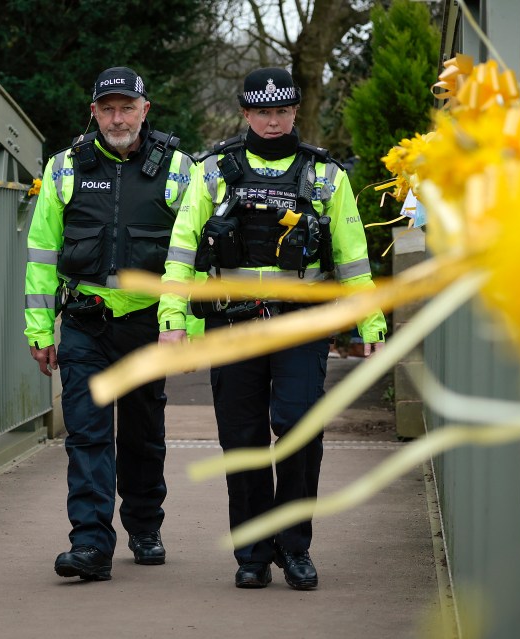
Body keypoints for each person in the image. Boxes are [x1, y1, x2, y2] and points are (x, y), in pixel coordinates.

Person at [157, 67, 387, 590]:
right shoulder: (212, 171)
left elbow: (353, 258)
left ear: (295, 113)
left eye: (281, 111)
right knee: (242, 439)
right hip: (233, 325)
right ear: (245, 114)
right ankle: (254, 553)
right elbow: (182, 250)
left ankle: (296, 546)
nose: (272, 120)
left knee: (299, 429)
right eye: (262, 112)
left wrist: (370, 320)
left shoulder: (326, 176)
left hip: (300, 323)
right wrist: (174, 319)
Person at [24, 66, 193, 581]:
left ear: (146, 110)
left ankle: (144, 525)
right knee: (87, 435)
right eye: (107, 108)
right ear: (93, 112)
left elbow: (191, 254)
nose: (117, 118)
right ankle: (91, 543)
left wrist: (178, 322)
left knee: (143, 433)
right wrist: (39, 327)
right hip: (84, 321)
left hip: (147, 323)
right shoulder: (64, 168)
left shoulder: (181, 170)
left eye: (127, 107)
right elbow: (41, 255)